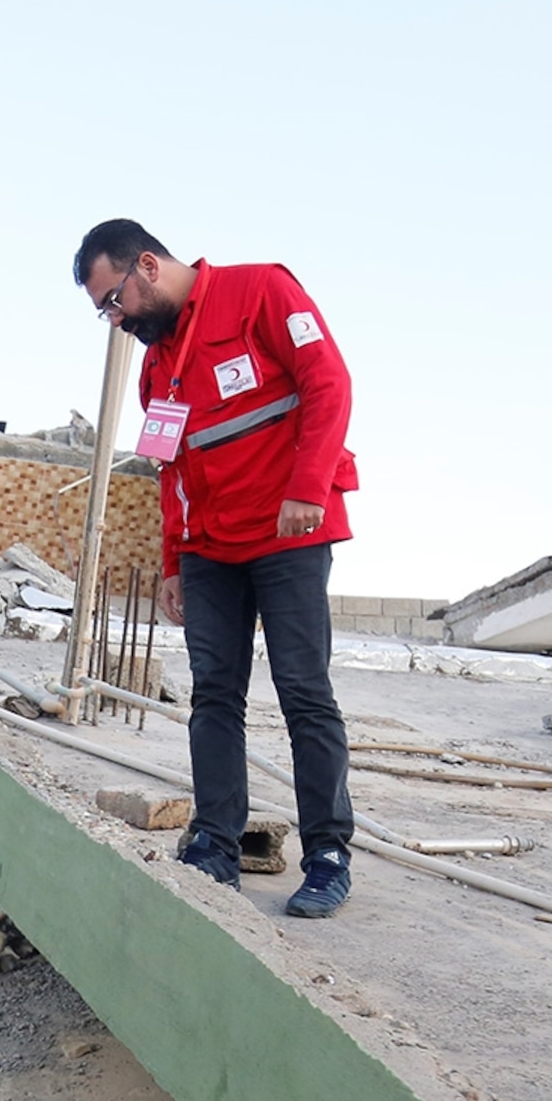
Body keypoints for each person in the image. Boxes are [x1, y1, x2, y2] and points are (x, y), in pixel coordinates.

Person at [72, 218, 360, 917]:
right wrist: (173, 562)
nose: (115, 320)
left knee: (302, 690)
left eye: (115, 301)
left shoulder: (261, 291)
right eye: (103, 312)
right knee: (214, 696)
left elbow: (329, 384)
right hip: (210, 552)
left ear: (146, 265)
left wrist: (305, 488)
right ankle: (215, 845)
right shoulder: (157, 365)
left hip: (289, 532)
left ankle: (327, 853)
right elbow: (171, 468)